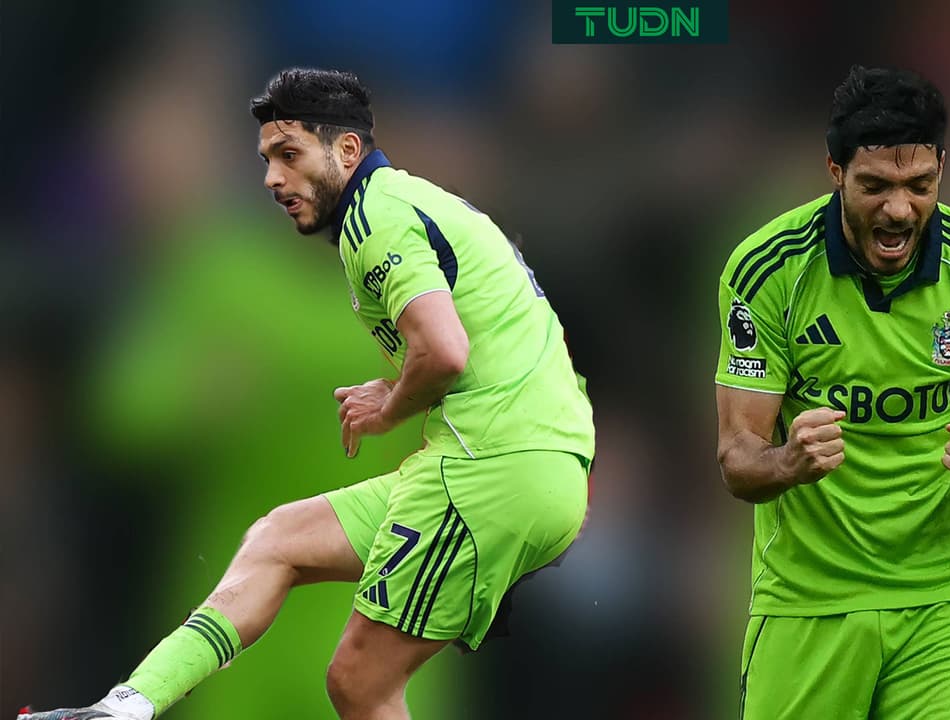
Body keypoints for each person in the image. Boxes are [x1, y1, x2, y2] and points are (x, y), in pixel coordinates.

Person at [20, 67, 594, 720]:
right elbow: (118, 413)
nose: (278, 182)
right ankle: (126, 706)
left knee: (362, 683)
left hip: (389, 576)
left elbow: (484, 363)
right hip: (248, 623)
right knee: (279, 548)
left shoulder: (420, 268)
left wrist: (404, 401)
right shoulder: (218, 270)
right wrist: (197, 397)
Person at [714, 65, 950, 720]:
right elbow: (736, 458)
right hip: (808, 600)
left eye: (919, 185)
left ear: (943, 170)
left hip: (947, 598)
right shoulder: (768, 271)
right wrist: (788, 462)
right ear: (835, 171)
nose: (900, 209)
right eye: (876, 186)